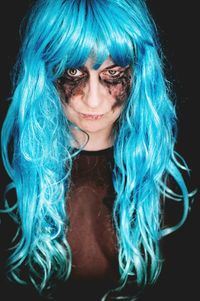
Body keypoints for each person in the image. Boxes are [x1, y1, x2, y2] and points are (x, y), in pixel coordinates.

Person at [0, 0, 197, 300]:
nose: (93, 100)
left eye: (114, 73)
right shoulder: (12, 176)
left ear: (139, 74)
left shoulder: (171, 180)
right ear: (44, 72)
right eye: (73, 73)